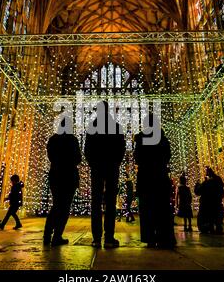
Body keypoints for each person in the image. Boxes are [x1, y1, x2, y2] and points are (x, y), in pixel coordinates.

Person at [85, 101, 126, 248]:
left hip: (97, 168)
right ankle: (109, 237)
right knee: (110, 203)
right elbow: (122, 148)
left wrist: (93, 163)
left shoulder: (92, 127)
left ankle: (96, 238)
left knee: (96, 202)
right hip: (111, 167)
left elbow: (87, 149)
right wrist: (116, 163)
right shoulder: (116, 127)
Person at [134, 113, 176, 248]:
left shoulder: (141, 138)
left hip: (146, 178)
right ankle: (165, 237)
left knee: (147, 210)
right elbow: (168, 156)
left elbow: (137, 158)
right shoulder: (162, 138)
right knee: (163, 208)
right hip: (160, 177)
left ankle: (150, 237)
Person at [43, 116, 82, 246]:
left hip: (56, 175)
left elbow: (50, 157)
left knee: (56, 205)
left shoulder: (53, 139)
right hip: (69, 176)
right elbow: (78, 158)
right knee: (64, 208)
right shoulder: (72, 140)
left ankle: (47, 234)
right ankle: (57, 236)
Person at [194, 167, 224, 234]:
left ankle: (210, 227)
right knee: (216, 216)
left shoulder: (207, 183)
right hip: (216, 203)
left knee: (207, 216)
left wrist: (197, 185)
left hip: (207, 204)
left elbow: (198, 192)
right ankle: (217, 226)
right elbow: (221, 190)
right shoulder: (218, 180)